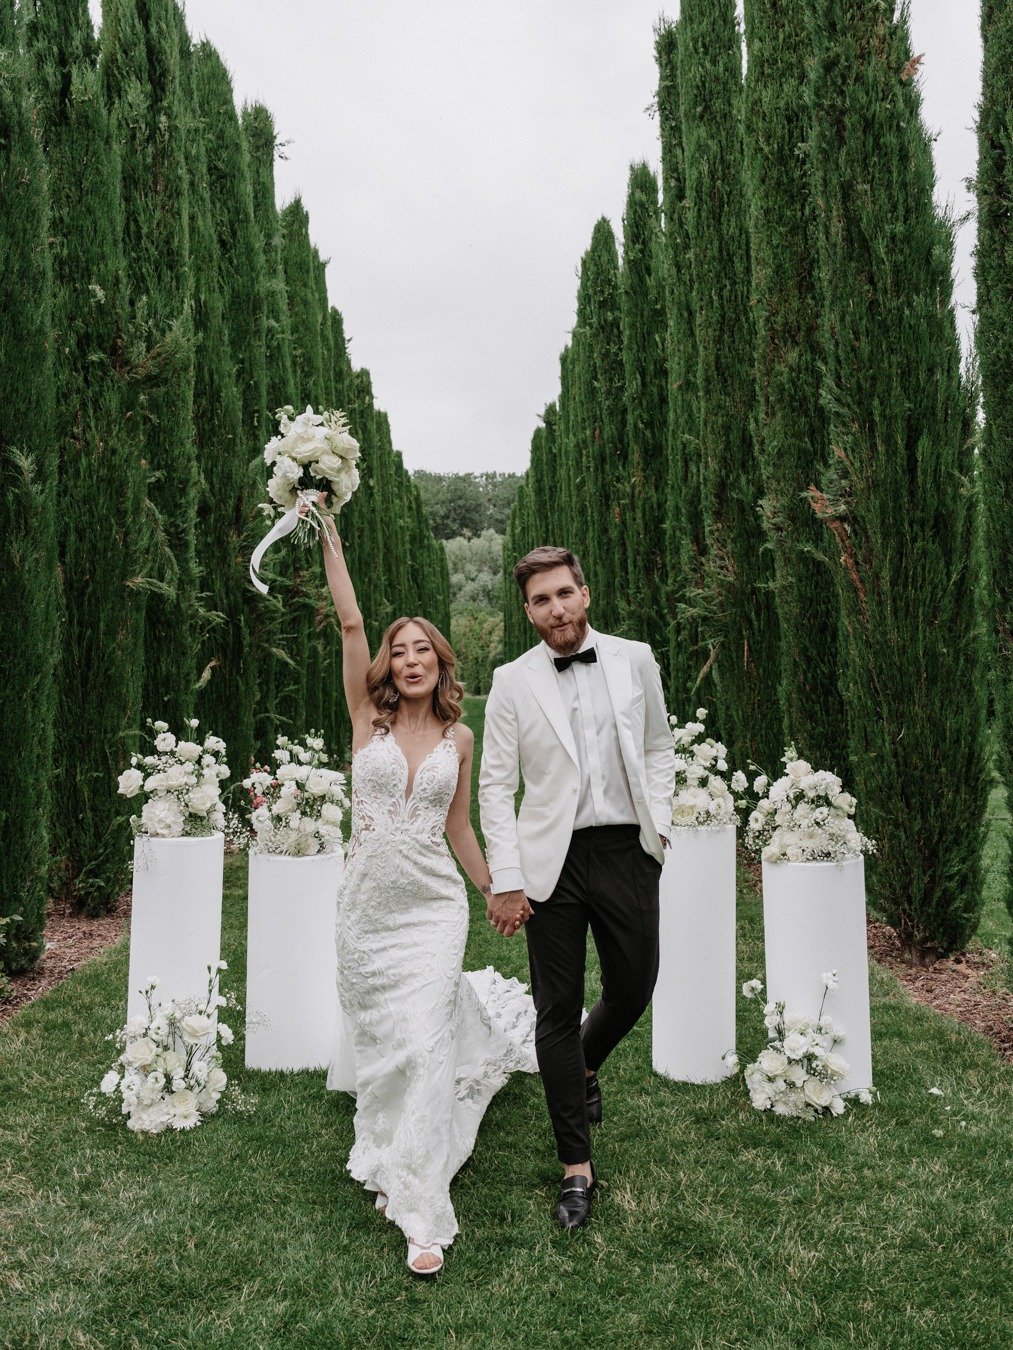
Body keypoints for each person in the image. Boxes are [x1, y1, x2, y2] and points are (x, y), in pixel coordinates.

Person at [314, 503, 536, 1276]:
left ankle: (421, 1206)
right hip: (367, 908)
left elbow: (460, 828)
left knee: (430, 1037)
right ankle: (390, 1144)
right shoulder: (363, 719)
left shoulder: (459, 737)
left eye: (422, 652)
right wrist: (330, 539)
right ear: (388, 664)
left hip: (434, 905)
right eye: (398, 652)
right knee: (390, 1046)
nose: (409, 661)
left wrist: (494, 891)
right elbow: (348, 627)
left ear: (442, 665)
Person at [479, 546, 675, 1229]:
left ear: (583, 594)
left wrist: (663, 826)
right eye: (541, 600)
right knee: (554, 1012)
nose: (555, 608)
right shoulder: (510, 681)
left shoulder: (634, 657)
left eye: (564, 593)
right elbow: (495, 787)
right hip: (550, 864)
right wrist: (506, 879)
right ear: (527, 610)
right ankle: (575, 1169)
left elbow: (657, 744)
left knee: (631, 988)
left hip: (626, 848)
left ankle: (583, 1067)